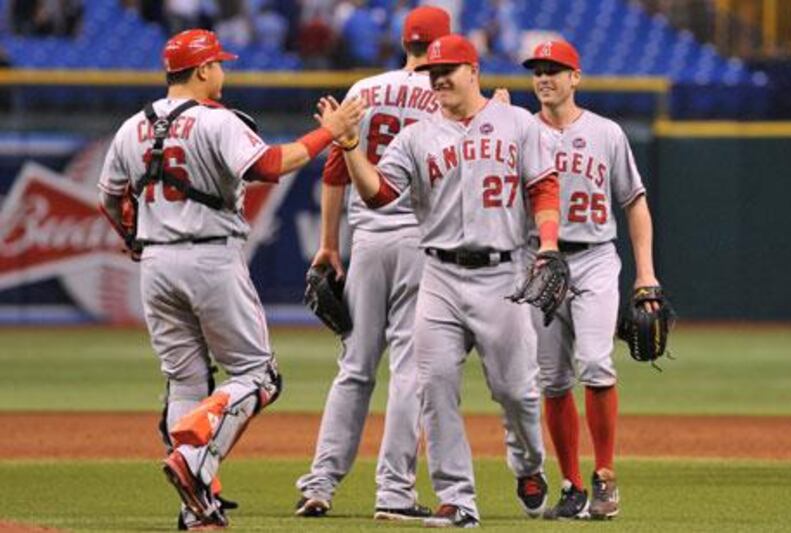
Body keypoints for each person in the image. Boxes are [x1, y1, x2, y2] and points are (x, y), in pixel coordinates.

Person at [97, 28, 361, 530]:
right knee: (261, 376)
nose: (223, 71)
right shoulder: (215, 121)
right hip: (209, 258)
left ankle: (195, 510)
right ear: (201, 71)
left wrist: (133, 239)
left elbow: (110, 197)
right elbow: (269, 164)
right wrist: (332, 130)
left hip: (155, 265)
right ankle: (195, 460)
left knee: (186, 380)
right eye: (218, 64)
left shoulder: (131, 126)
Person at [336, 33, 562, 528]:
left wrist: (547, 242)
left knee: (518, 393)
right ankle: (457, 498)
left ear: (474, 70)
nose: (438, 80)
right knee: (434, 387)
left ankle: (528, 463)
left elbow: (543, 186)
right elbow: (378, 194)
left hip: (504, 274)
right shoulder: (416, 136)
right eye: (432, 74)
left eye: (448, 71)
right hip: (437, 273)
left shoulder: (517, 123)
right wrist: (352, 147)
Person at [294, 6, 451, 522]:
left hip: (366, 239)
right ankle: (393, 492)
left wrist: (328, 243)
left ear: (403, 43)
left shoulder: (364, 87)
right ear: (443, 45)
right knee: (410, 370)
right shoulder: (448, 93)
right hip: (421, 239)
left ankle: (319, 483)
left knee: (355, 366)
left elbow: (336, 168)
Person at [519, 39, 661, 520]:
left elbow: (634, 202)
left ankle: (604, 477)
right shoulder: (519, 132)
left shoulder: (606, 133)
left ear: (575, 77)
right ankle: (571, 485)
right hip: (540, 261)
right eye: (538, 69)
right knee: (553, 380)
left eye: (555, 69)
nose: (544, 77)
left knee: (597, 364)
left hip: (596, 257)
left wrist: (646, 274)